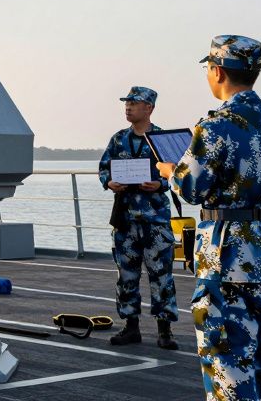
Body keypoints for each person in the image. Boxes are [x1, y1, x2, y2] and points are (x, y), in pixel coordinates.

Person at [157, 35, 261, 401]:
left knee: (227, 360)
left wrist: (171, 172)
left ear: (218, 71)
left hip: (227, 255)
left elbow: (191, 189)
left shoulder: (215, 127)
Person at [98, 85, 178, 349]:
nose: (128, 107)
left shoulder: (163, 140)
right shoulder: (118, 139)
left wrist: (160, 184)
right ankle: (130, 327)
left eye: (134, 103)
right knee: (126, 275)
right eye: (127, 103)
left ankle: (165, 330)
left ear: (149, 108)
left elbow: (179, 174)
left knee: (162, 275)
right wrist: (109, 182)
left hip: (155, 219)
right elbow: (104, 168)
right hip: (125, 219)